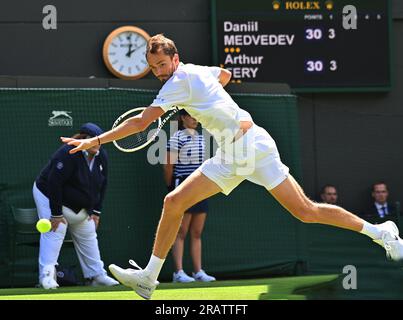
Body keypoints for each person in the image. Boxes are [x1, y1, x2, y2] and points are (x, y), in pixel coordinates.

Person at [61, 34, 403, 299]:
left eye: (162, 65)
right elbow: (225, 74)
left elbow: (140, 123)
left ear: (174, 59)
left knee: (174, 202)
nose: (159, 72)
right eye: (154, 68)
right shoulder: (196, 72)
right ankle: (381, 232)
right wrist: (208, 103)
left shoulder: (178, 82)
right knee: (304, 211)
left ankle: (149, 277)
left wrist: (95, 141)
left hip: (243, 149)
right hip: (248, 144)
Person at [33, 123, 119, 289]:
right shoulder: (67, 153)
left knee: (88, 232)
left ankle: (96, 276)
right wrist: (56, 214)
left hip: (78, 206)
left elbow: (103, 183)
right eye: (94, 140)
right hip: (48, 195)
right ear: (84, 139)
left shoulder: (101, 156)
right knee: (55, 230)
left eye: (99, 141)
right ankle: (47, 276)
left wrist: (96, 212)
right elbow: (54, 183)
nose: (98, 144)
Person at [164, 109, 215, 283]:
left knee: (196, 232)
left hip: (200, 186)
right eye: (191, 116)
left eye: (196, 116)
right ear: (183, 118)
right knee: (181, 231)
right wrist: (172, 188)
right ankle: (178, 273)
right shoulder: (176, 138)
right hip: (182, 185)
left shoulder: (202, 138)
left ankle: (198, 272)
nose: (195, 119)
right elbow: (168, 166)